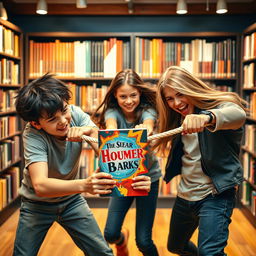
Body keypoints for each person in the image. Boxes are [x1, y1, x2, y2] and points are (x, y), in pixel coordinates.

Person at [13, 73, 117, 256]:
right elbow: (40, 185)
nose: (63, 121)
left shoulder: (75, 113)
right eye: (52, 119)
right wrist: (85, 185)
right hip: (36, 205)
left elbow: (107, 154)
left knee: (103, 253)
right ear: (36, 123)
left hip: (71, 200)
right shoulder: (32, 135)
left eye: (64, 110)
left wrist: (90, 131)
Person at [154, 66, 247, 256]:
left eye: (180, 94)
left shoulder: (218, 108)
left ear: (191, 88)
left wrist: (207, 118)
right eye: (169, 98)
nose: (176, 103)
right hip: (185, 195)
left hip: (216, 195)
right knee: (175, 247)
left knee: (209, 253)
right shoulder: (178, 118)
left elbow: (238, 115)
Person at [92, 69, 161, 256]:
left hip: (148, 179)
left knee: (144, 241)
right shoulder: (112, 112)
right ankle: (122, 240)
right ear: (115, 94)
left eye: (133, 95)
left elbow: (149, 124)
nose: (129, 100)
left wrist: (144, 130)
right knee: (110, 233)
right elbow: (111, 126)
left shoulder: (148, 110)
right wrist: (112, 133)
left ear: (140, 93)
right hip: (122, 177)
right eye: (123, 96)